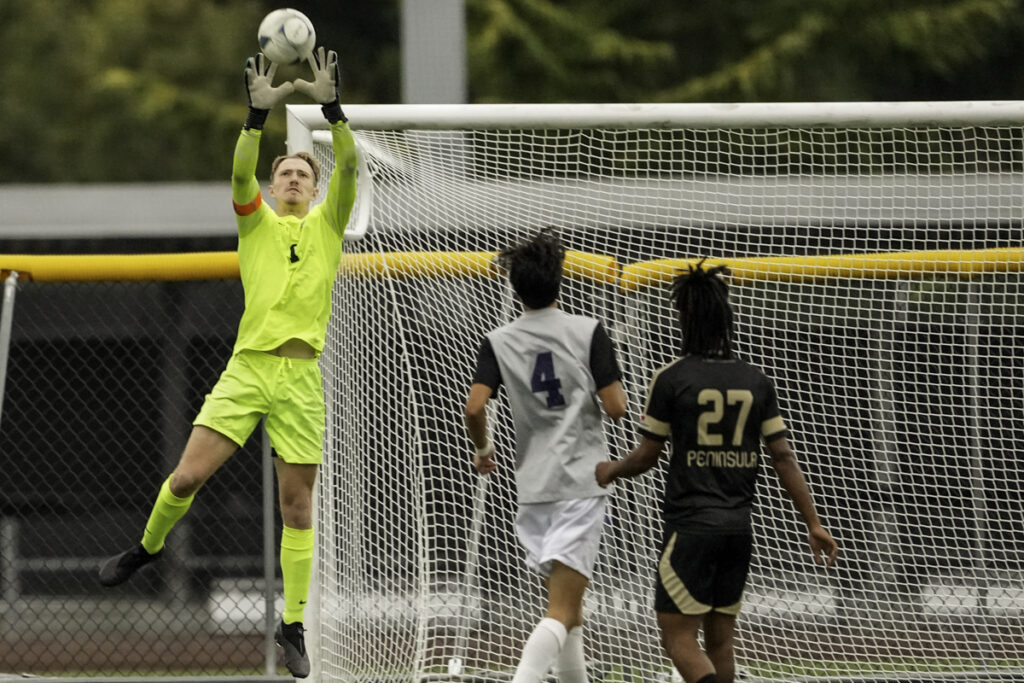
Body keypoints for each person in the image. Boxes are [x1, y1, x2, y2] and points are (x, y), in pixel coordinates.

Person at [98, 48, 358, 679]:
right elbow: (239, 174)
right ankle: (147, 548)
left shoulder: (328, 224)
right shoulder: (256, 225)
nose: (294, 178)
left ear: (317, 188)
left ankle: (291, 625)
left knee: (299, 510)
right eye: (286, 174)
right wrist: (254, 115)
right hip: (248, 371)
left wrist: (332, 108)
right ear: (273, 189)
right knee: (186, 479)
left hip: (301, 380)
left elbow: (348, 160)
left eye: (304, 173)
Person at [595, 260, 838, 683]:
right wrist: (813, 523)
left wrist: (609, 470)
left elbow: (647, 457)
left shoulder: (671, 378)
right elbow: (783, 458)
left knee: (678, 640)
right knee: (721, 642)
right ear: (726, 318)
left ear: (684, 318)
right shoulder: (755, 380)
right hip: (737, 531)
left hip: (690, 529)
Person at [464, 229, 628, 683]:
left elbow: (475, 407)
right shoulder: (587, 331)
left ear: (515, 289)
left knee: (570, 614)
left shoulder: (498, 340)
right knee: (560, 612)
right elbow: (617, 408)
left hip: (533, 490)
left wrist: (483, 450)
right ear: (560, 280)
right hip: (580, 484)